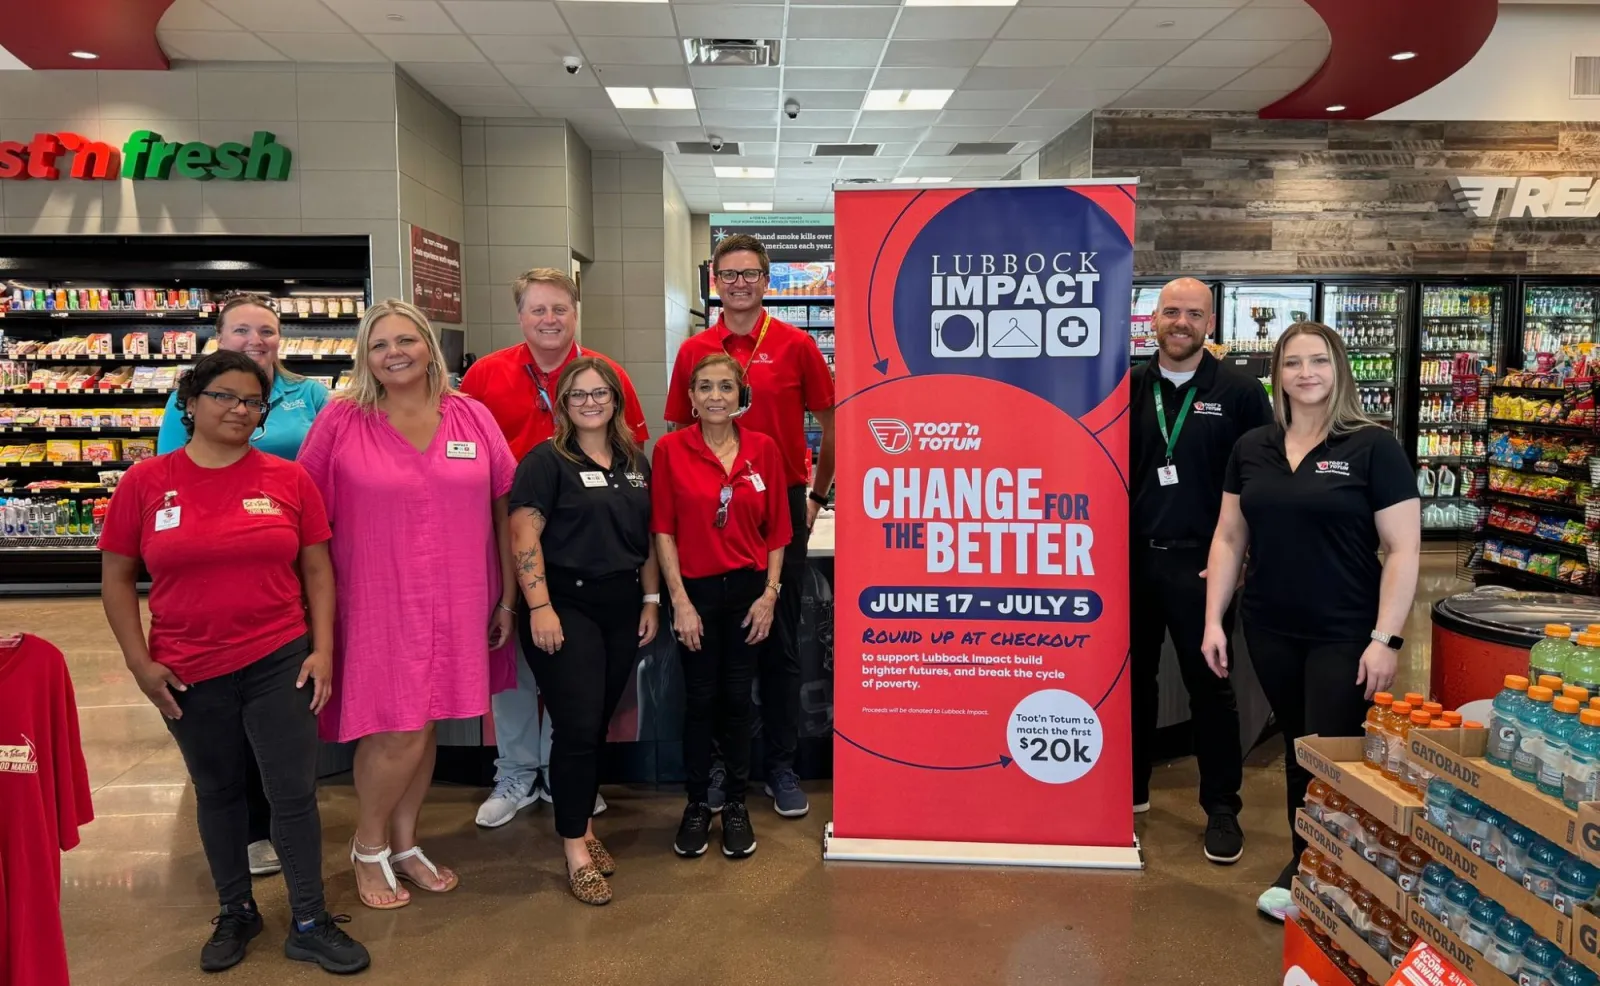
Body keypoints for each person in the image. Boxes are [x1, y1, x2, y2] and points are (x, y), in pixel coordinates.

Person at [99, 350, 369, 975]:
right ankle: (236, 910)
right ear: (190, 403)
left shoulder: (287, 478)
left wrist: (323, 649)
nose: (240, 410)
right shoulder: (145, 481)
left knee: (292, 793)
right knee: (218, 792)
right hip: (187, 665)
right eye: (224, 396)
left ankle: (309, 917)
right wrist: (140, 664)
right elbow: (116, 578)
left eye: (252, 402)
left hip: (280, 656)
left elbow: (319, 570)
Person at [297, 300, 517, 910]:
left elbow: (504, 506)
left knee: (428, 724)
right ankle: (367, 847)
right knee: (395, 726)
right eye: (378, 344)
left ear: (429, 346)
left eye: (406, 340)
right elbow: (307, 516)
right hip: (375, 598)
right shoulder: (342, 421)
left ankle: (404, 843)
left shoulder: (471, 416)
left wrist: (508, 599)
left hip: (460, 597)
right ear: (365, 358)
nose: (394, 352)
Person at [1200, 321, 1420, 921]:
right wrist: (1213, 620)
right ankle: (1309, 865)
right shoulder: (1252, 447)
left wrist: (1385, 638)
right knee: (1301, 750)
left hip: (1344, 631)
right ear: (1278, 375)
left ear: (1338, 369)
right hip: (1270, 627)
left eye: (1318, 361)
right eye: (1292, 363)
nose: (1306, 373)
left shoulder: (1373, 446)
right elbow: (1228, 537)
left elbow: (1403, 550)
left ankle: (1345, 875)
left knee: (1334, 753)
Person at [462, 267, 649, 830]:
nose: (549, 320)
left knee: (577, 676)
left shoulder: (604, 375)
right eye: (537, 310)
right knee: (515, 660)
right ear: (520, 316)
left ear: (575, 313)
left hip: (575, 547)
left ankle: (565, 771)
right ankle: (517, 771)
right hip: (503, 534)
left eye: (559, 309)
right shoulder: (485, 376)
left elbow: (631, 453)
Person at [155, 292, 330, 879]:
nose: (256, 340)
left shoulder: (311, 395)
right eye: (241, 331)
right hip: (221, 572)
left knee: (283, 704)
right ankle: (251, 827)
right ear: (218, 336)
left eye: (267, 331)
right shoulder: (190, 397)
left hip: (290, 556)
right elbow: (169, 485)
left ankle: (291, 814)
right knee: (226, 712)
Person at [665, 234, 835, 819]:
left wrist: (813, 497)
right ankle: (716, 765)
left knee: (780, 641)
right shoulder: (697, 350)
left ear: (767, 280)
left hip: (778, 498)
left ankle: (780, 766)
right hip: (707, 495)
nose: (739, 283)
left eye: (750, 274)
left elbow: (829, 423)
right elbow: (672, 431)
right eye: (729, 274)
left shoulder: (795, 344)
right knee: (710, 644)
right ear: (716, 282)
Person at [1129, 277, 1272, 865]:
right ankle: (1128, 792)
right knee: (1129, 685)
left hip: (1205, 563)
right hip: (1131, 558)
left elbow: (1261, 484)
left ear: (1210, 324)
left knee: (1210, 687)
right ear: (1153, 320)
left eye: (1193, 313)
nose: (1180, 322)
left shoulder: (1239, 393)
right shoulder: (1127, 385)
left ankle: (1221, 808)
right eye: (1170, 312)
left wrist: (1246, 560)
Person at [509, 356, 660, 904]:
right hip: (563, 605)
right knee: (575, 727)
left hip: (621, 604)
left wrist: (649, 598)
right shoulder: (546, 461)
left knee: (594, 724)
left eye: (600, 393)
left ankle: (585, 826)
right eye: (578, 395)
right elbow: (524, 537)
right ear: (562, 405)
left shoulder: (633, 460)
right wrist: (540, 606)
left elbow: (645, 536)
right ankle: (574, 847)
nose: (590, 402)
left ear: (616, 400)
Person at [653, 353, 790, 860]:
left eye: (726, 387)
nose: (715, 396)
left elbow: (777, 531)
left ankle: (735, 804)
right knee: (698, 702)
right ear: (690, 398)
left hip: (751, 594)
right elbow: (663, 529)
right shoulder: (670, 449)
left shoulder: (764, 449)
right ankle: (695, 805)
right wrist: (680, 602)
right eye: (705, 387)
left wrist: (771, 594)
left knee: (738, 703)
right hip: (697, 594)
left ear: (741, 395)